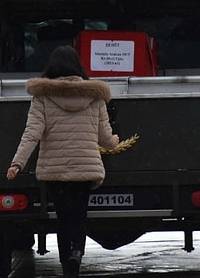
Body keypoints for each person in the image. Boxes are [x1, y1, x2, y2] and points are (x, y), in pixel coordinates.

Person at [6, 45, 119, 278]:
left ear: (52, 67)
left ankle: (67, 266)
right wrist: (115, 143)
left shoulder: (43, 97)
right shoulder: (95, 96)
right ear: (78, 67)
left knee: (63, 218)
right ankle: (77, 252)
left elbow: (32, 133)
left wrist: (17, 163)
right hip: (86, 169)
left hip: (55, 171)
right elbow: (105, 137)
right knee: (79, 216)